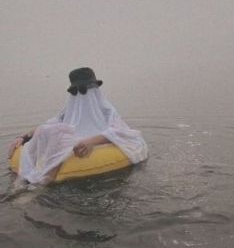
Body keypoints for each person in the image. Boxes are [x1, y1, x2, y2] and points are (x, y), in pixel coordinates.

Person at [8, 67, 148, 185]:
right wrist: (23, 137)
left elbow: (122, 132)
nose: (85, 94)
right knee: (51, 130)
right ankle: (29, 182)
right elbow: (48, 125)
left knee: (59, 135)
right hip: (67, 144)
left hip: (91, 147)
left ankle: (45, 181)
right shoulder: (69, 111)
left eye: (87, 89)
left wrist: (91, 141)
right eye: (80, 90)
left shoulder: (105, 110)